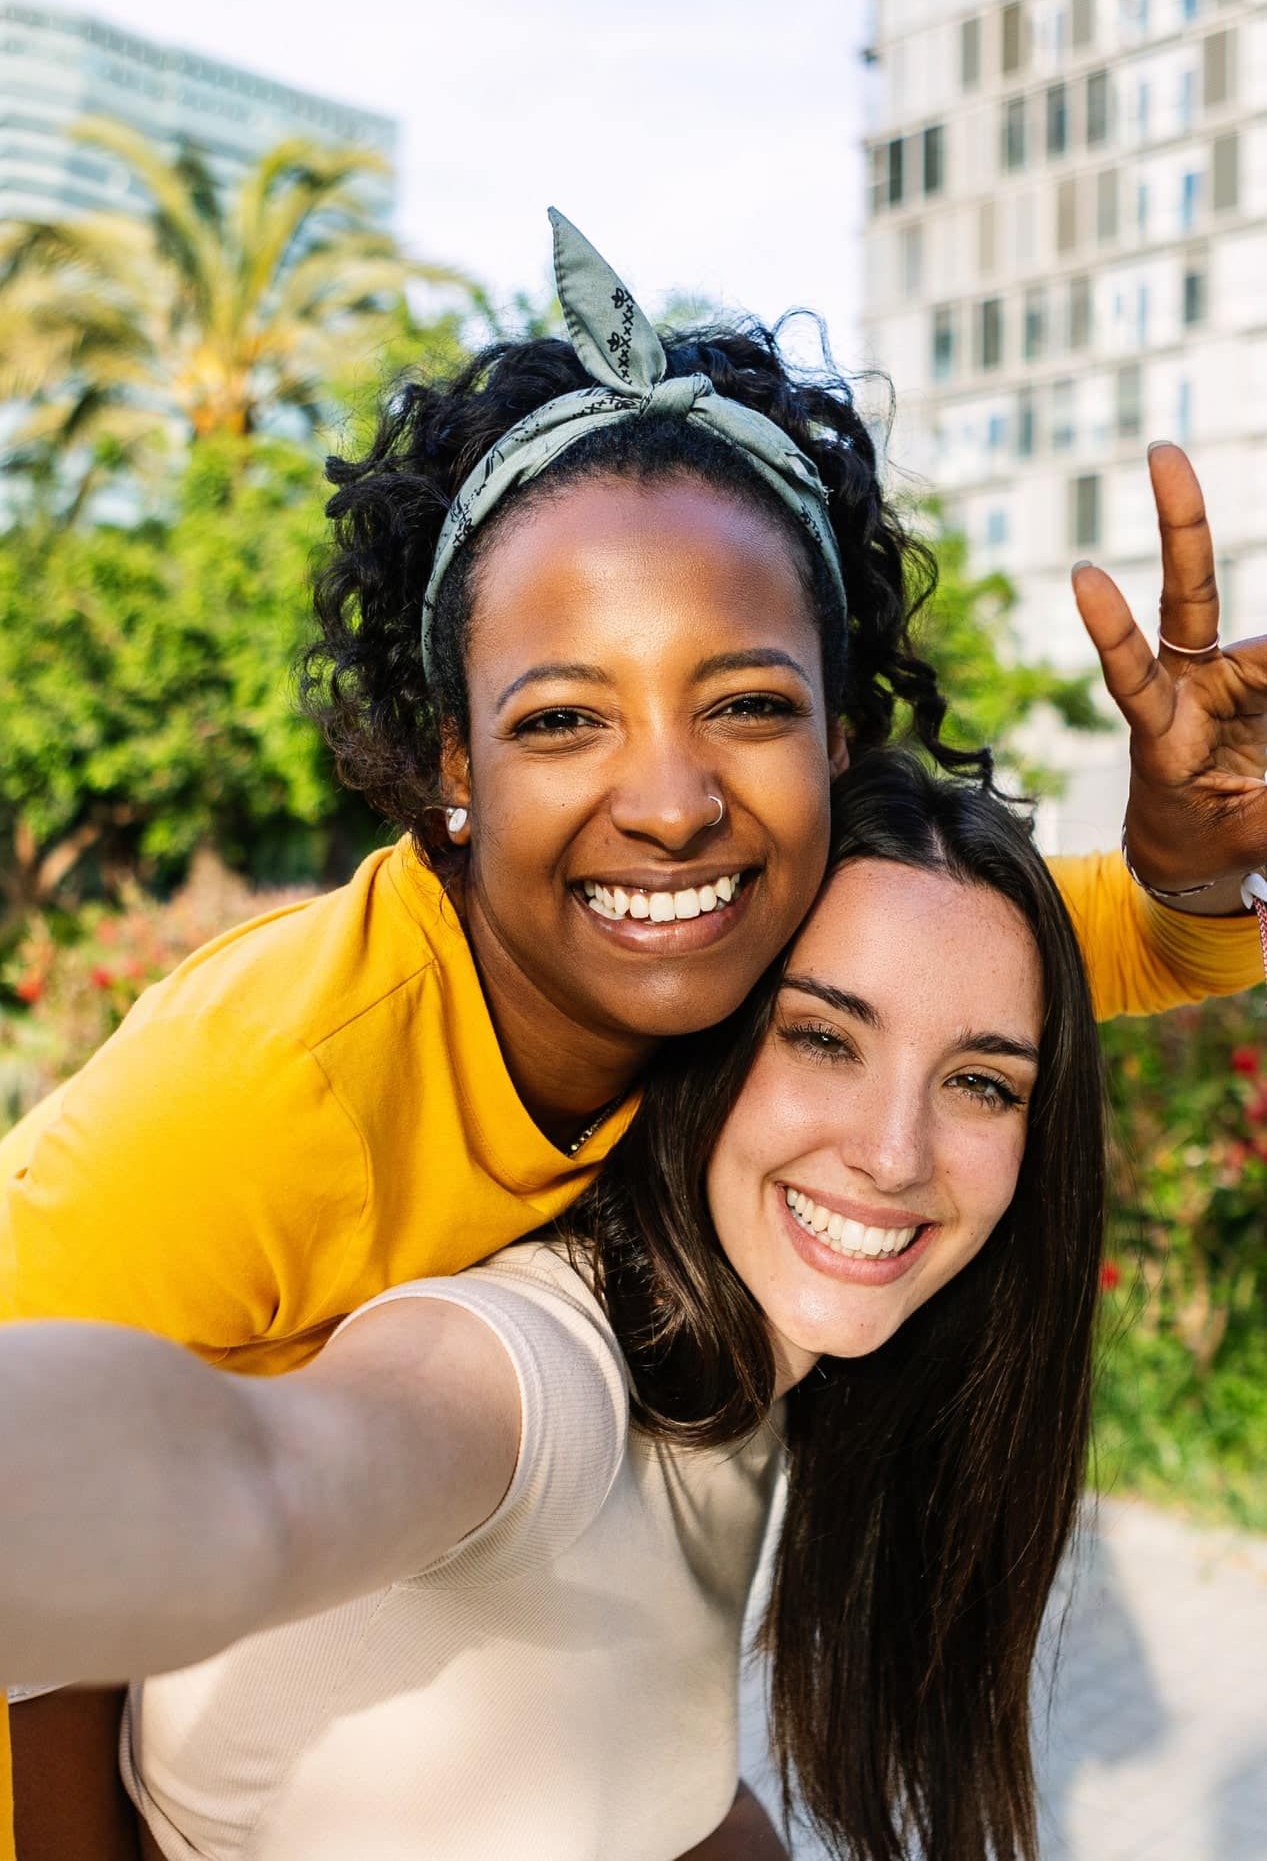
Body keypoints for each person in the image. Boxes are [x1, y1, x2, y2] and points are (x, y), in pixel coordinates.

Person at [1, 212, 1264, 1855]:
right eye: (561, 718)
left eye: (744, 705)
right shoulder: (275, 1086)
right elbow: (144, 1515)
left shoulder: (766, 934)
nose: (670, 803)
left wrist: (1188, 868)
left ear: (831, 740)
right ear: (451, 766)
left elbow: (1019, 971)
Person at [0, 753, 1104, 1861]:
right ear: (707, 1036)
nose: (892, 1152)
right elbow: (271, 1480)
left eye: (980, 1081)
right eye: (822, 1037)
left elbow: (652, 1790)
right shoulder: (539, 1366)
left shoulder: (753, 1384)